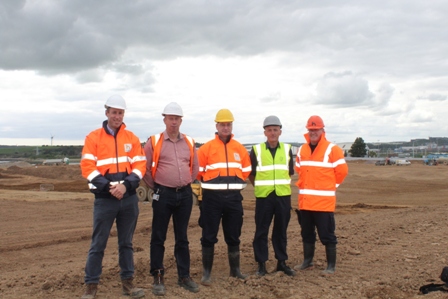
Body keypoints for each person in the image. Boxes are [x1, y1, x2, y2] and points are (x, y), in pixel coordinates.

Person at [80, 95, 147, 299]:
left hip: (128, 200)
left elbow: (140, 166)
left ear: (123, 115)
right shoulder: (93, 138)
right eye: (114, 112)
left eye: (120, 113)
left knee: (126, 243)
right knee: (98, 244)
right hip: (104, 200)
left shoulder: (132, 138)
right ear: (107, 112)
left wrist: (125, 186)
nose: (117, 116)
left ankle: (128, 285)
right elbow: (87, 167)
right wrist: (110, 187)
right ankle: (91, 286)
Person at [143, 102, 199, 296]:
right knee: (158, 236)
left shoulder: (189, 142)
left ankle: (184, 276)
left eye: (177, 118)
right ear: (164, 119)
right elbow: (145, 167)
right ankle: (158, 275)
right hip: (163, 194)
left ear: (181, 121)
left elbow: (194, 168)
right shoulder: (154, 141)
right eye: (170, 118)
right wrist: (157, 186)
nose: (173, 122)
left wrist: (185, 182)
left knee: (182, 237)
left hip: (184, 194)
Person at [196, 108, 251, 286]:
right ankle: (206, 274)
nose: (225, 128)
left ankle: (235, 271)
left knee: (234, 235)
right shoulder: (206, 149)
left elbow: (246, 169)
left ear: (231, 126)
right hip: (212, 200)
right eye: (222, 124)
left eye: (228, 124)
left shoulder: (240, 149)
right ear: (217, 126)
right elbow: (198, 172)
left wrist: (237, 180)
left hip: (234, 199)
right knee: (208, 236)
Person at [294, 115, 348, 274]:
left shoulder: (332, 149)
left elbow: (342, 171)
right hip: (305, 203)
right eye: (310, 130)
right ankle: (307, 262)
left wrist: (331, 186)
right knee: (307, 234)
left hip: (323, 204)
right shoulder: (302, 149)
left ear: (322, 130)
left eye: (316, 129)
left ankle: (331, 266)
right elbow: (299, 169)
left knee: (327, 235)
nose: (313, 132)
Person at [249, 115, 296, 277]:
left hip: (283, 196)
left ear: (280, 132)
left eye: (275, 130)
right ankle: (261, 264)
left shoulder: (287, 149)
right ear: (265, 132)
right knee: (261, 231)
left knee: (280, 231)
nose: (272, 133)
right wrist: (262, 187)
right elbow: (252, 174)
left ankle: (281, 262)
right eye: (269, 130)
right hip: (264, 197)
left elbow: (289, 172)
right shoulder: (256, 150)